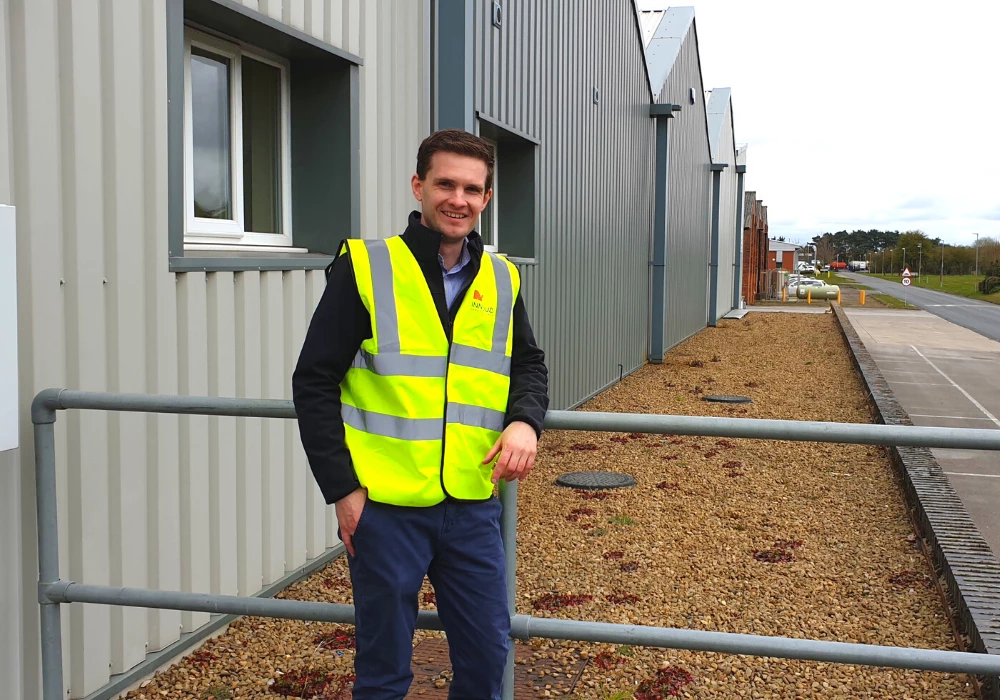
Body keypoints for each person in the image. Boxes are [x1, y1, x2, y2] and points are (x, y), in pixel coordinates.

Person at [292, 128, 549, 700]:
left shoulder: (501, 278)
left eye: (473, 189)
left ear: (486, 198)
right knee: (383, 673)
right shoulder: (366, 266)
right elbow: (313, 381)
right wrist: (343, 490)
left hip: (470, 507)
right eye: (446, 184)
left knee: (486, 660)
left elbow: (529, 366)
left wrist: (525, 421)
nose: (459, 199)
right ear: (419, 186)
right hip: (383, 511)